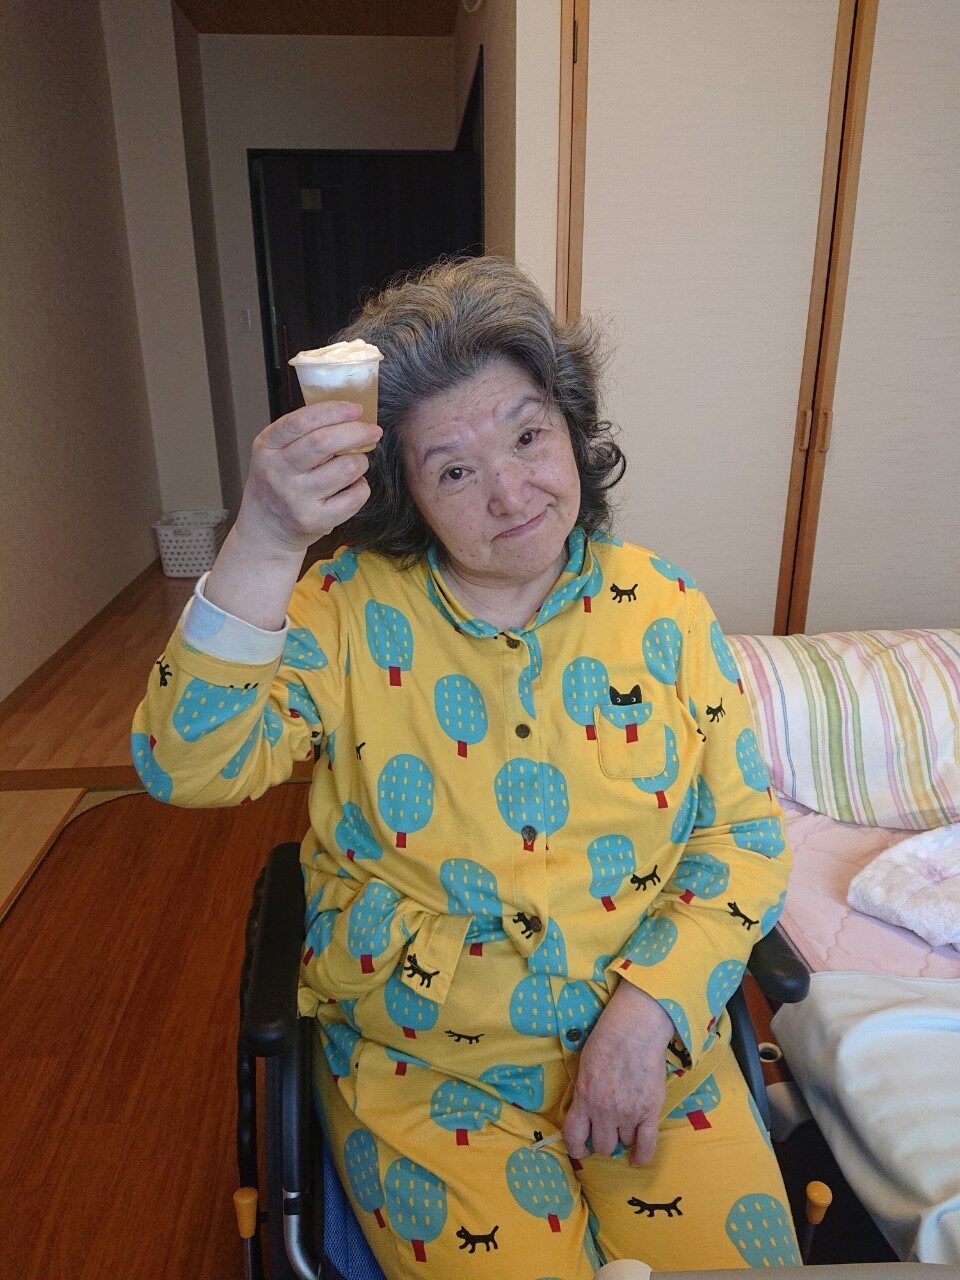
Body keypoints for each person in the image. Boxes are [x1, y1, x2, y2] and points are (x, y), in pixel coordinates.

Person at [133, 256, 799, 1276]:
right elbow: (185, 764)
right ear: (406, 493)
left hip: (655, 1045)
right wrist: (264, 537)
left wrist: (648, 1011)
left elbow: (742, 837)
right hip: (428, 1069)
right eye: (452, 470)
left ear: (570, 425)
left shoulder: (665, 607)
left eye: (528, 436)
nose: (511, 492)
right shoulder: (347, 610)